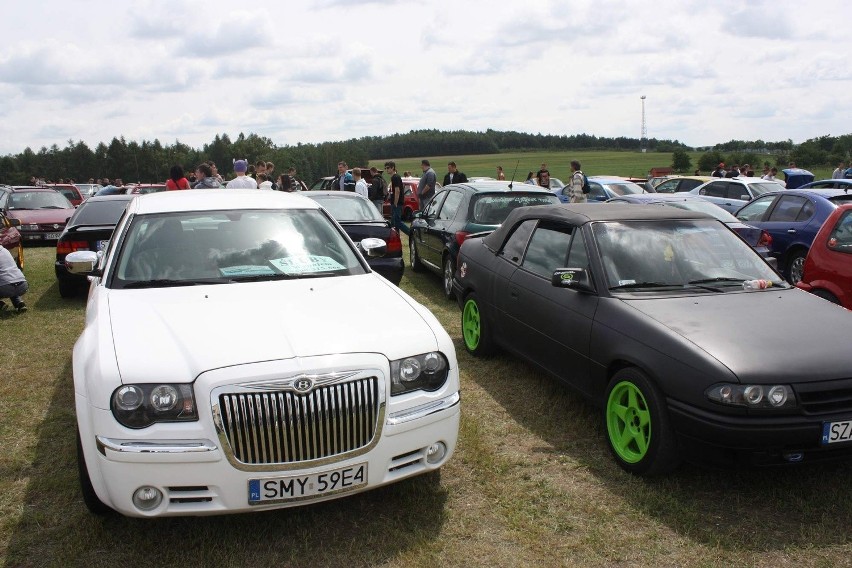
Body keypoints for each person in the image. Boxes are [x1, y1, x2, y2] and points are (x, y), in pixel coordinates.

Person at [385, 161, 410, 236]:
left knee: (397, 222)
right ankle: (396, 237)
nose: (387, 170)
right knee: (394, 224)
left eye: (388, 168)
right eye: (386, 168)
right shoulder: (394, 177)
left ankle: (411, 234)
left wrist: (395, 202)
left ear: (393, 168)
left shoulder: (395, 177)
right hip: (395, 203)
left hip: (397, 203)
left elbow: (397, 190)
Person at [0, 246, 28, 312]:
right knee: (9, 280)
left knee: (7, 282)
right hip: (23, 285)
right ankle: (19, 303)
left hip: (6, 288)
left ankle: (0, 305)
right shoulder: (5, 250)